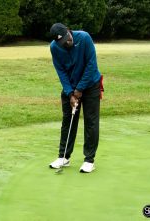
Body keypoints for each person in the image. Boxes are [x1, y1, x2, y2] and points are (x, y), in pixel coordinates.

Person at [49, 23, 103, 173]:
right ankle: (63, 157)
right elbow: (61, 71)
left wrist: (79, 89)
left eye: (67, 38)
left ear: (68, 31)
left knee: (91, 121)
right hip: (71, 87)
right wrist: (70, 92)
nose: (67, 43)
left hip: (91, 84)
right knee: (68, 120)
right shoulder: (54, 47)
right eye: (62, 42)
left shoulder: (84, 38)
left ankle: (89, 160)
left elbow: (91, 65)